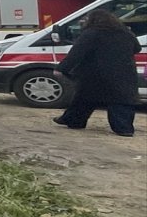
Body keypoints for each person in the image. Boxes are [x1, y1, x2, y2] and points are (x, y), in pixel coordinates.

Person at [53, 9, 142, 137]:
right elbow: (137, 48)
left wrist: (61, 68)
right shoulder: (125, 33)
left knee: (84, 99)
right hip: (124, 72)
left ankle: (74, 121)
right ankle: (124, 128)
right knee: (121, 101)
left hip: (95, 73)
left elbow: (76, 54)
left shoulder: (91, 33)